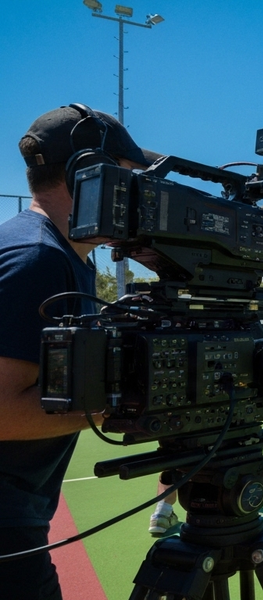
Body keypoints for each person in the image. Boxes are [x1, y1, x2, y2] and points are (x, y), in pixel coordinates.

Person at [0, 104, 153, 599]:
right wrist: (123, 406)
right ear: (87, 175)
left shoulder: (55, 252)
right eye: (128, 178)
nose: (138, 193)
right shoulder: (37, 258)